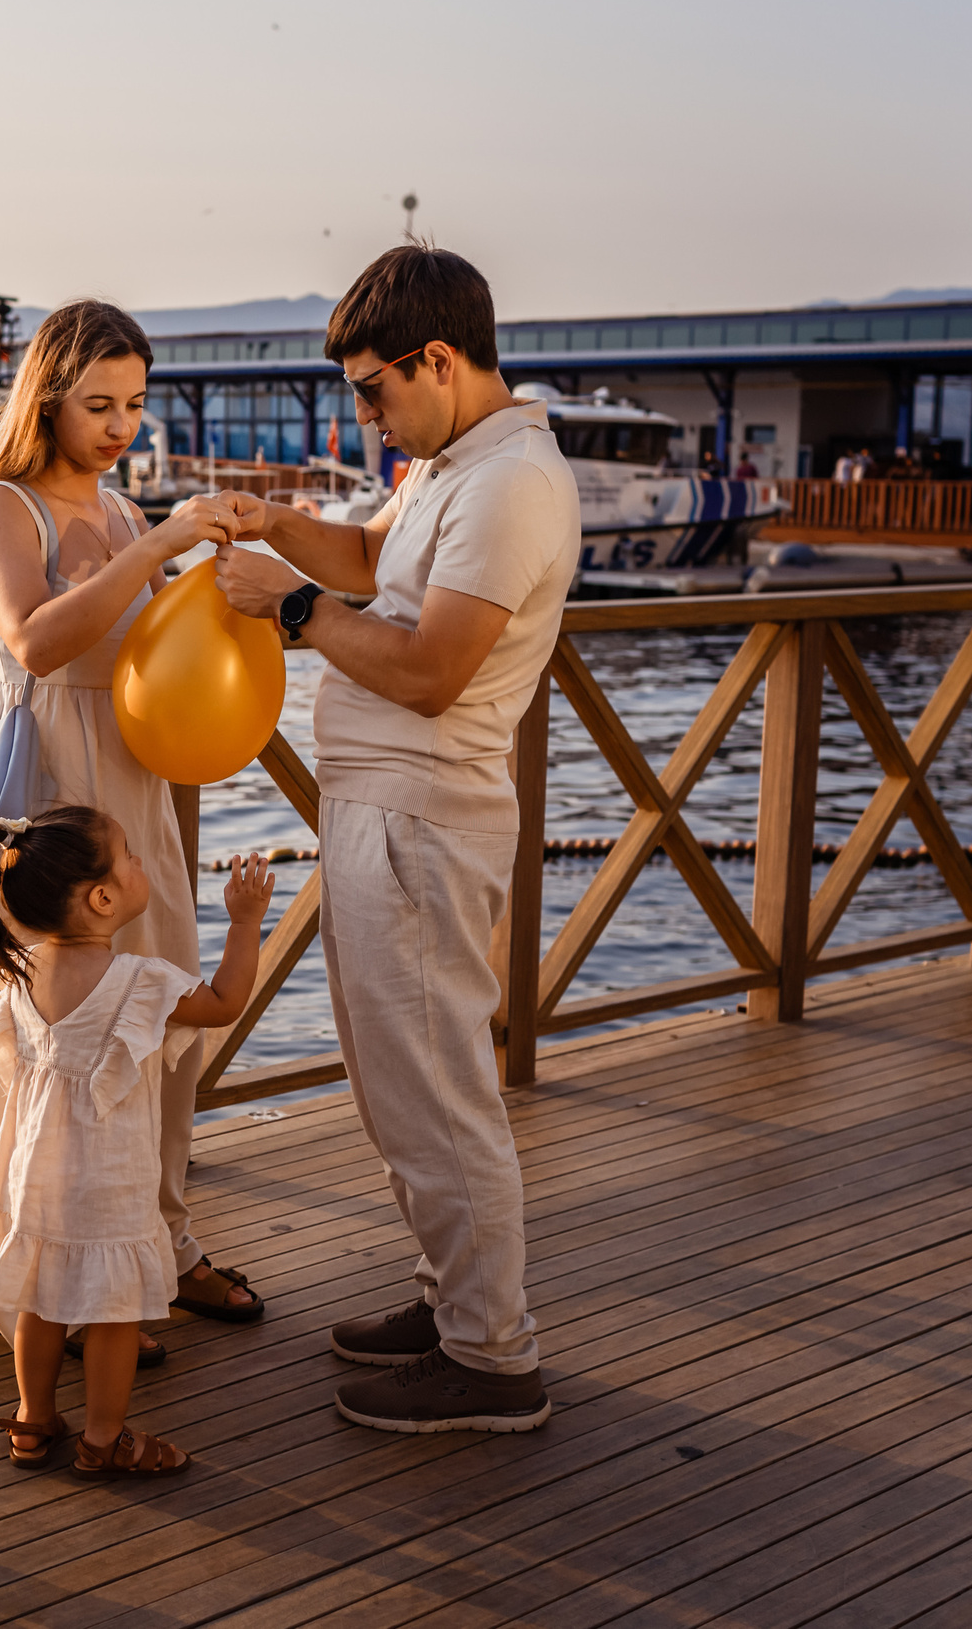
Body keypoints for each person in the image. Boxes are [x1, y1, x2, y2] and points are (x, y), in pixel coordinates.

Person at [198, 243, 576, 1435]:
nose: (365, 416)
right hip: (383, 811)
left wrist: (289, 605)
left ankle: (491, 1356)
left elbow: (427, 671)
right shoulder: (447, 463)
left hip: (424, 815)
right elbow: (375, 562)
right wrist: (282, 527)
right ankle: (454, 1298)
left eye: (373, 390)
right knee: (396, 1086)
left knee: (437, 1090)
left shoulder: (507, 482)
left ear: (441, 360)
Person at [0, 300, 264, 1357]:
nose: (119, 426)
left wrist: (220, 578)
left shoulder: (131, 517)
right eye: (99, 404)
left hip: (137, 794)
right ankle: (47, 1274)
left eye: (134, 405)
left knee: (169, 1024)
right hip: (49, 793)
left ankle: (158, 1240)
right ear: (46, 396)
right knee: (44, 1042)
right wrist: (164, 549)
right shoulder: (8, 508)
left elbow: (156, 657)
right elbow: (37, 641)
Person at [0, 805, 274, 1476]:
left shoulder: (23, 971)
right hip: (110, 1181)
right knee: (113, 1313)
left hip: (35, 1174)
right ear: (102, 897)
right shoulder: (139, 982)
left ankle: (33, 1421)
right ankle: (105, 1436)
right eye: (128, 855)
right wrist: (244, 922)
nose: (140, 863)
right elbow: (224, 1001)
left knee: (39, 1297)